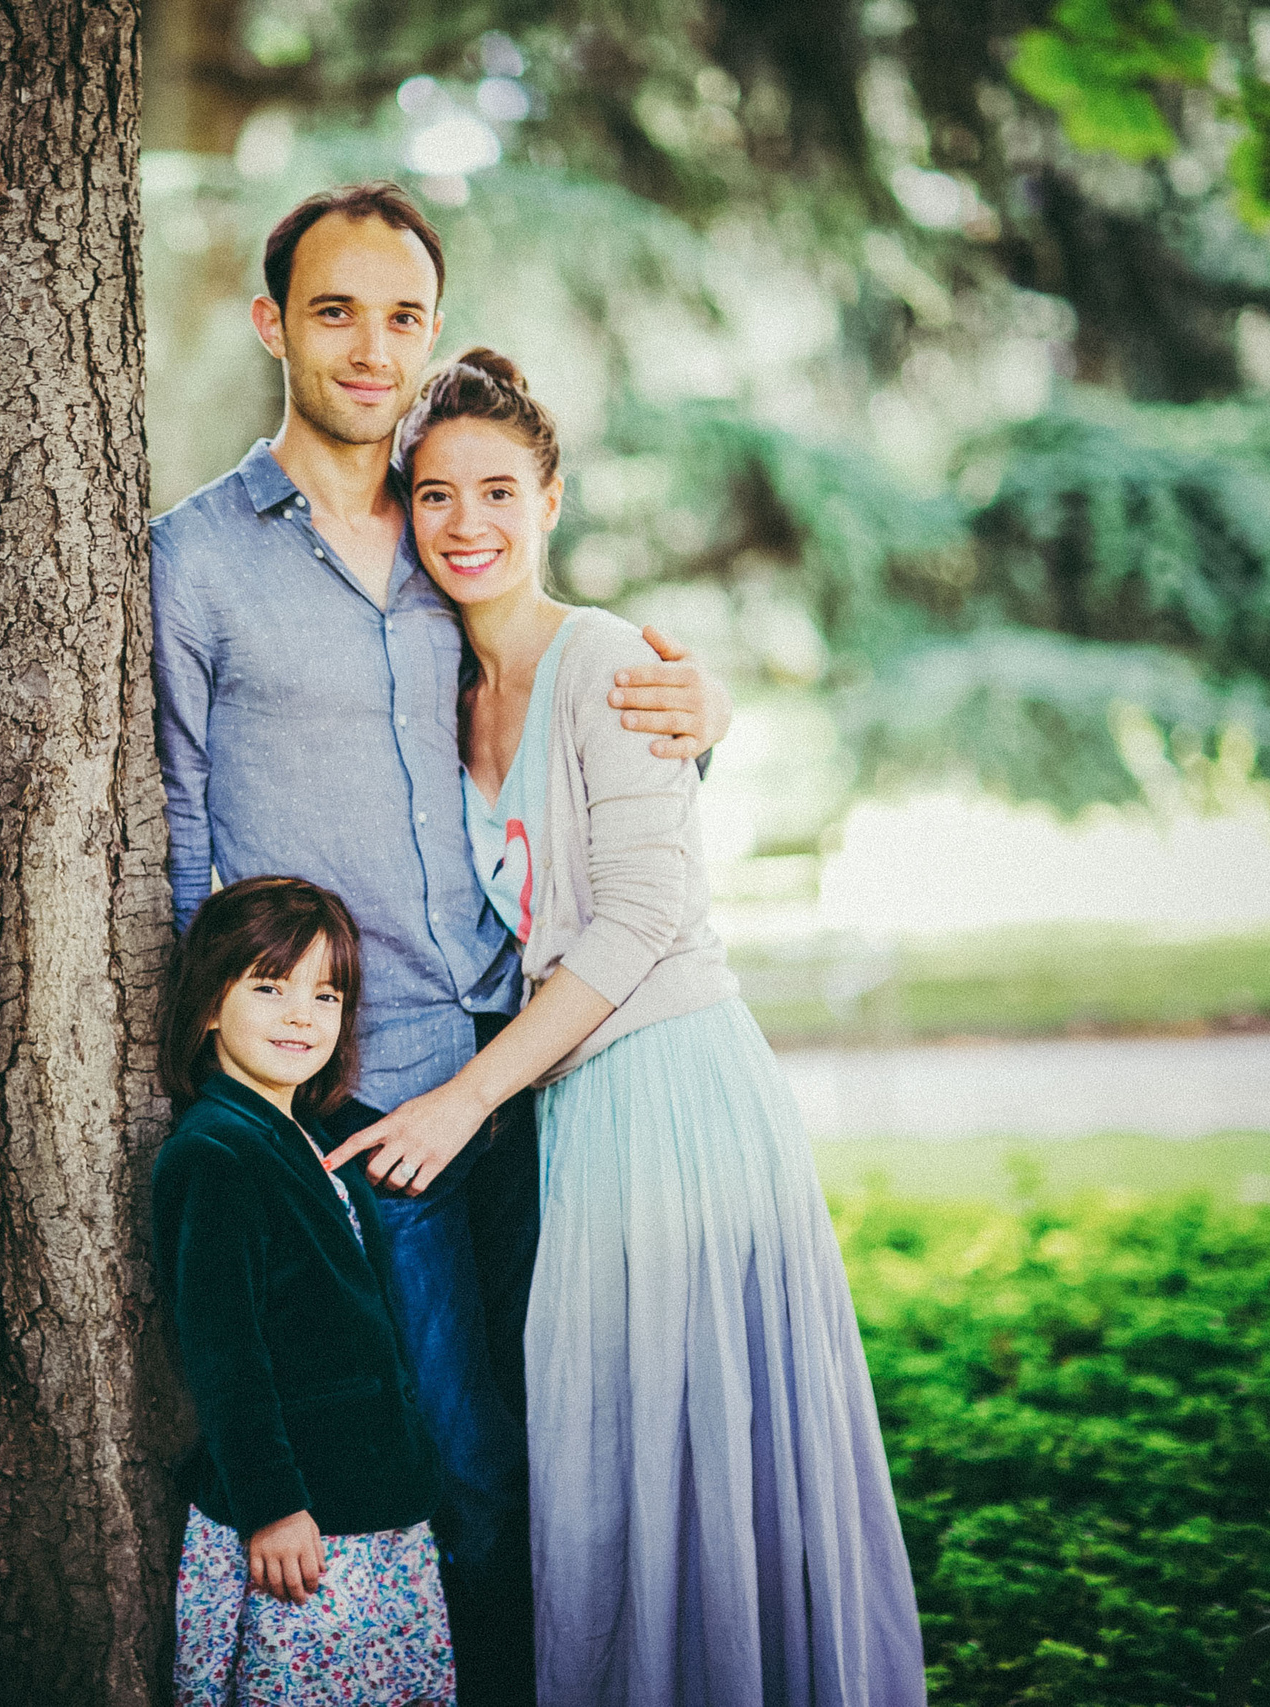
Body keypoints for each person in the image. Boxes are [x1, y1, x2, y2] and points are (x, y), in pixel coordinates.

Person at [150, 180, 734, 1701]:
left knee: (567, 1444)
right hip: (360, 1094)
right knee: (454, 1462)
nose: (370, 347)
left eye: (402, 315)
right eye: (334, 309)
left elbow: (566, 712)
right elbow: (171, 829)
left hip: (533, 1067)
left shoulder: (448, 532)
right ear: (274, 321)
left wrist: (702, 714)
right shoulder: (196, 558)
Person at [323, 348, 928, 1706]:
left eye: (496, 489)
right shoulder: (443, 682)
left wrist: (462, 1099)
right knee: (617, 1468)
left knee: (695, 1452)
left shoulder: (605, 659)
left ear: (551, 499)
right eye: (433, 495)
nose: (465, 523)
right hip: (579, 1113)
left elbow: (642, 914)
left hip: (675, 1092)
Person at [152, 875, 456, 1707]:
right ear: (210, 1004)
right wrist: (274, 1502)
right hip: (306, 1531)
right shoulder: (214, 1154)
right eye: (269, 986)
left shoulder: (311, 1135)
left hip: (376, 1510)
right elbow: (226, 1353)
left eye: (326, 995)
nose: (301, 1014)